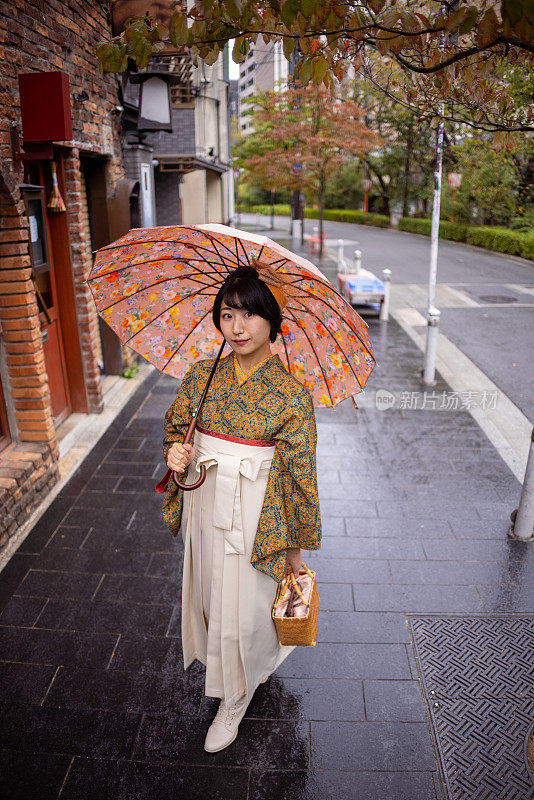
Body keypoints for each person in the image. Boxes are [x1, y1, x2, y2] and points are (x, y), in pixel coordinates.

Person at [161, 262, 322, 753]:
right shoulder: (201, 376)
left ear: (273, 321)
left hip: (258, 512)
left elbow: (299, 476)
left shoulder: (292, 395)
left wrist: (294, 550)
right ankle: (230, 671)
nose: (237, 328)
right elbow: (175, 428)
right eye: (228, 314)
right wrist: (177, 454)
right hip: (207, 500)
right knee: (212, 594)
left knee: (248, 607)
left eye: (250, 315)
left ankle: (236, 697)